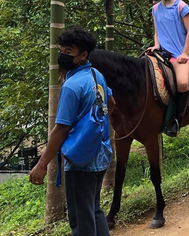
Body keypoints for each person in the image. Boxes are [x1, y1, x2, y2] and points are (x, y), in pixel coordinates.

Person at [29, 26, 113, 236]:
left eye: (69, 52)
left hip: (81, 161)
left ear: (83, 55)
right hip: (101, 154)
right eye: (61, 50)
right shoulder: (96, 75)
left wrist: (41, 164)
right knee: (94, 210)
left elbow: (61, 129)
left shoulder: (72, 86)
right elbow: (111, 103)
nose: (62, 56)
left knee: (80, 220)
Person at [146, 0, 189, 137]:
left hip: (178, 54)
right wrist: (156, 45)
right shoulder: (155, 9)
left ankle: (176, 119)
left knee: (182, 83)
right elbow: (157, 31)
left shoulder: (181, 6)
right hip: (162, 53)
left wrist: (184, 53)